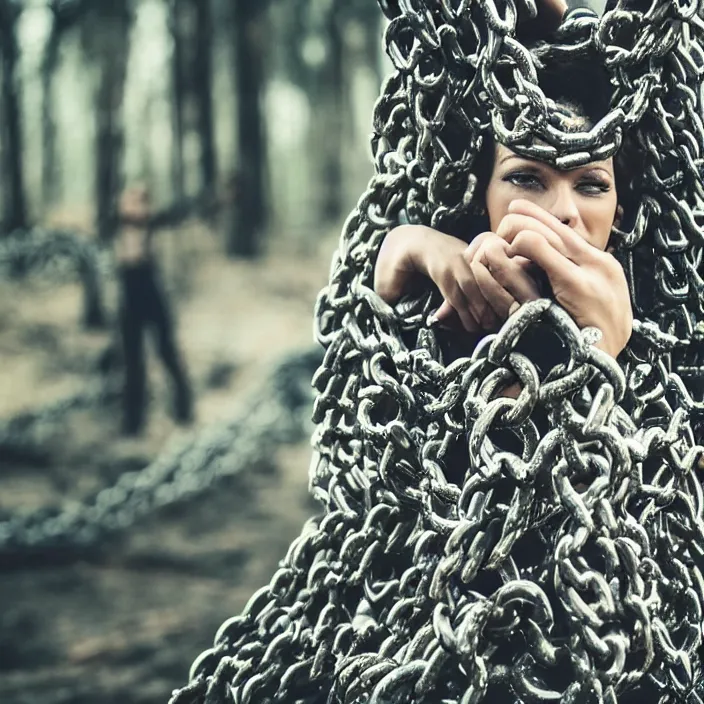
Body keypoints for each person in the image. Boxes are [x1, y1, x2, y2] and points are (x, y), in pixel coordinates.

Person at [374, 5, 634, 376]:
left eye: (591, 185)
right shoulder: (440, 312)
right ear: (480, 198)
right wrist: (399, 258)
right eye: (526, 179)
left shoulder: (671, 338)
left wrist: (598, 349)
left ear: (618, 214)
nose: (564, 211)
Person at [116, 185, 194, 435]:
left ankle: (184, 410)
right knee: (132, 361)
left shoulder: (153, 225)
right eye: (131, 201)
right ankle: (133, 421)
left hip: (152, 296)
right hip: (129, 302)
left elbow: (177, 213)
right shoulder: (115, 227)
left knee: (166, 352)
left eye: (141, 202)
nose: (136, 207)